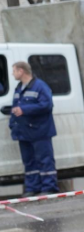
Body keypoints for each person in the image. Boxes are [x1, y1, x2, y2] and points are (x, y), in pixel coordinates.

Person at [8, 61, 58, 195]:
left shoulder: (40, 86)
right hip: (24, 132)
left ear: (21, 71)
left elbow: (46, 105)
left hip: (40, 131)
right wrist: (13, 124)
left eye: (14, 71)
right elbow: (15, 107)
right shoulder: (19, 88)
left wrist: (24, 110)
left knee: (44, 160)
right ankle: (32, 188)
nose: (12, 74)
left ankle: (49, 187)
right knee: (29, 162)